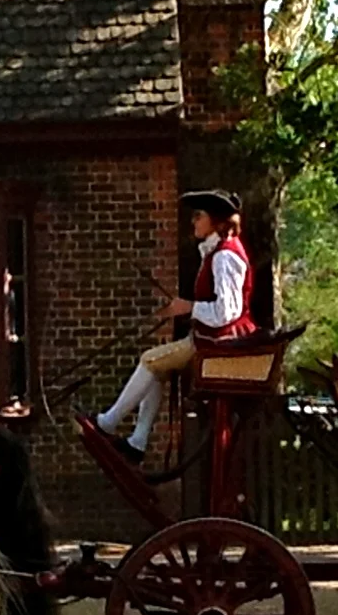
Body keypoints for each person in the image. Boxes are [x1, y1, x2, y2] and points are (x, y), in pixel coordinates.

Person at [92, 190, 257, 460]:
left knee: (149, 360)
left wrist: (189, 307)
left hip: (220, 342)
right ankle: (138, 442)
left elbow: (227, 312)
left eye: (198, 216)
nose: (193, 222)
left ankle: (108, 423)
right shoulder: (216, 252)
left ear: (215, 221)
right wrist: (186, 309)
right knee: (157, 369)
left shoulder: (224, 256)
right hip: (212, 339)